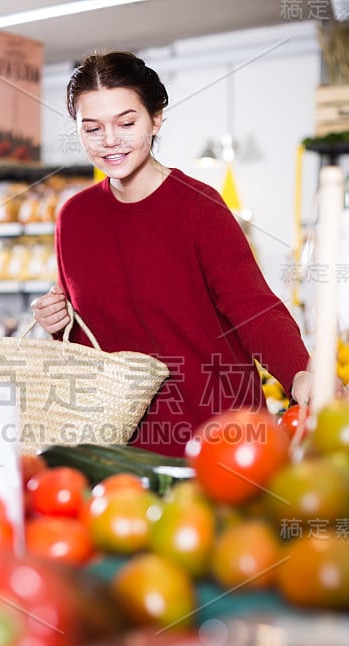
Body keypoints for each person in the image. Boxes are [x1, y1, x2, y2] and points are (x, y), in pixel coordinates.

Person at [32, 50, 313, 457]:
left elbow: (252, 306)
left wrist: (299, 372)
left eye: (126, 123)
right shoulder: (74, 218)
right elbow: (90, 342)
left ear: (156, 118)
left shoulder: (200, 207)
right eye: (92, 128)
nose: (110, 141)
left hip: (222, 439)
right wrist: (57, 323)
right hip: (123, 451)